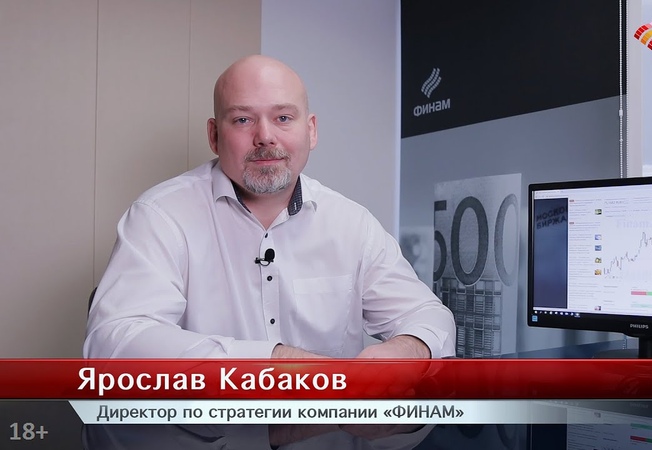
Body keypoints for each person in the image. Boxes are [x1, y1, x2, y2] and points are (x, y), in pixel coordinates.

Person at [84, 55, 455, 359]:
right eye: (243, 119)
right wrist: (273, 362)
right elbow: (112, 341)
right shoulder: (160, 216)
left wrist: (408, 349)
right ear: (214, 135)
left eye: (283, 118)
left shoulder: (352, 224)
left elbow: (428, 316)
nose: (264, 136)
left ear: (311, 130)